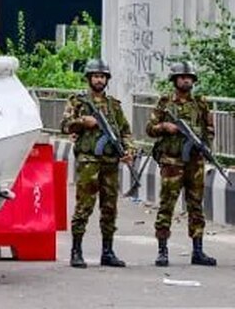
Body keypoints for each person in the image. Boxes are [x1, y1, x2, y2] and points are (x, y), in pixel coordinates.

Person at [61, 59, 133, 268]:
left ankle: (108, 251)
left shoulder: (114, 106)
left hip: (110, 161)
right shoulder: (78, 102)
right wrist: (83, 122)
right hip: (89, 160)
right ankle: (76, 250)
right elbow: (64, 125)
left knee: (109, 207)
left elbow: (125, 131)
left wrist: (128, 150)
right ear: (89, 78)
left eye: (102, 77)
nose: (99, 80)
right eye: (96, 76)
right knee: (84, 206)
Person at [147, 61, 217, 267]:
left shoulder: (200, 104)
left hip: (194, 162)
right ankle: (162, 250)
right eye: (182, 77)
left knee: (196, 206)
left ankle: (198, 250)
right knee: (167, 205)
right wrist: (165, 127)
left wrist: (203, 145)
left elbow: (209, 129)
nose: (186, 80)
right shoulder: (165, 103)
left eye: (189, 77)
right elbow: (150, 128)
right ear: (175, 80)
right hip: (172, 161)